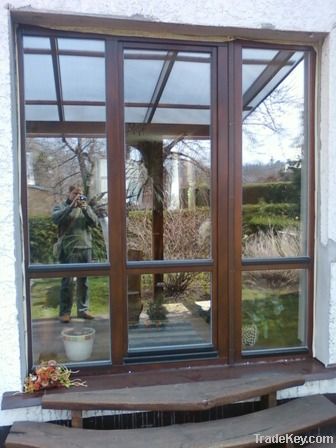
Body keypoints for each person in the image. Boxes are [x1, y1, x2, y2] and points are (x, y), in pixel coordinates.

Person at [52, 185, 100, 323]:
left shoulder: (86, 207)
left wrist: (85, 208)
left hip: (85, 249)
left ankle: (83, 311)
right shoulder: (60, 206)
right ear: (69, 193)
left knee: (84, 283)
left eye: (80, 194)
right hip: (69, 250)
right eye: (75, 193)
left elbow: (95, 223)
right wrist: (71, 207)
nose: (78, 196)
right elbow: (55, 219)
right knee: (67, 283)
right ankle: (65, 312)